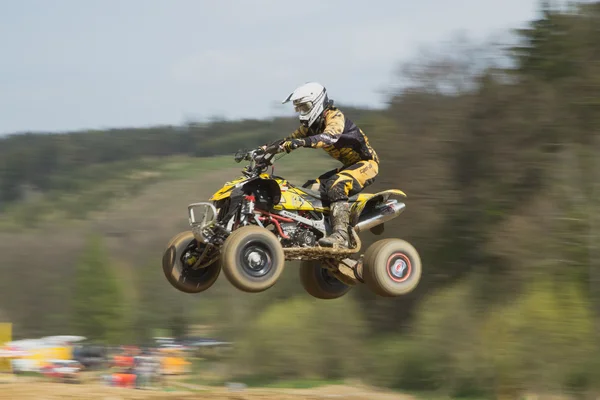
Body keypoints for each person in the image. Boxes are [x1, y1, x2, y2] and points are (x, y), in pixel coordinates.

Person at [265, 82, 380, 248]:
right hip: (349, 167)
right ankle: (313, 232)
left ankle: (341, 236)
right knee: (310, 189)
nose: (301, 112)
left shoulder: (334, 117)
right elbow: (287, 141)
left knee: (337, 184)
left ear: (317, 103)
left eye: (304, 107)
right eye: (299, 109)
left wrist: (300, 142)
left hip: (367, 164)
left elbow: (329, 137)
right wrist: (262, 150)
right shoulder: (311, 126)